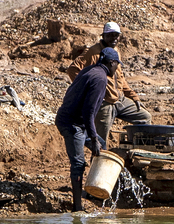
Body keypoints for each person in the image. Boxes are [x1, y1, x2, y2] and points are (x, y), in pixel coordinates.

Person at [66, 21, 152, 145]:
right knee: (100, 142)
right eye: (110, 35)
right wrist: (89, 89)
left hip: (120, 99)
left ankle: (137, 153)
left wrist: (133, 96)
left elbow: (120, 78)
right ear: (103, 36)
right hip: (104, 103)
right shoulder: (93, 52)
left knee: (145, 117)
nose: (113, 38)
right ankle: (98, 163)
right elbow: (73, 69)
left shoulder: (115, 51)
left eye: (116, 35)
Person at [56, 47, 119, 212]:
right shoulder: (100, 79)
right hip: (71, 123)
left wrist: (96, 139)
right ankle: (77, 208)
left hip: (76, 121)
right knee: (78, 163)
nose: (116, 69)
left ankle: (96, 189)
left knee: (102, 146)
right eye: (116, 65)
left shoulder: (90, 70)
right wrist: (94, 137)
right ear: (111, 63)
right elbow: (88, 112)